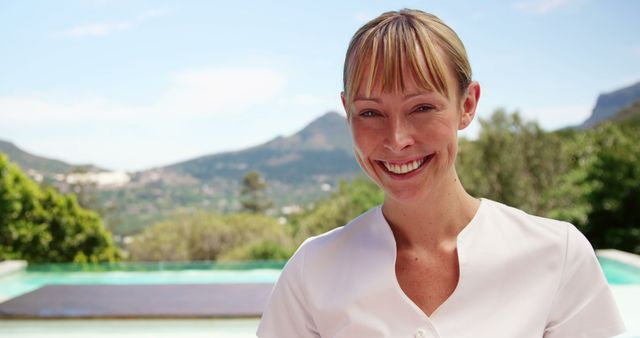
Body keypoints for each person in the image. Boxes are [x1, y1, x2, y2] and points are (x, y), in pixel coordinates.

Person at [257, 8, 625, 338]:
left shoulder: (557, 254)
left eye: (422, 107)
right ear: (347, 112)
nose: (397, 139)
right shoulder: (313, 268)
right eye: (370, 112)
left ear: (467, 105)